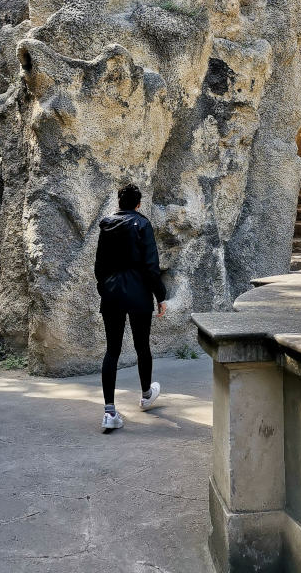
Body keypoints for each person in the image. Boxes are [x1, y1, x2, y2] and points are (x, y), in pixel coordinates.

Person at [95, 183, 167, 433]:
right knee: (142, 346)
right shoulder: (143, 224)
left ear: (119, 202)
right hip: (138, 295)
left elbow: (99, 266)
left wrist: (104, 289)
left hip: (112, 294)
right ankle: (146, 395)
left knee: (112, 351)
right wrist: (160, 296)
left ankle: (109, 412)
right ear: (138, 204)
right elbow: (151, 265)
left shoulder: (107, 225)